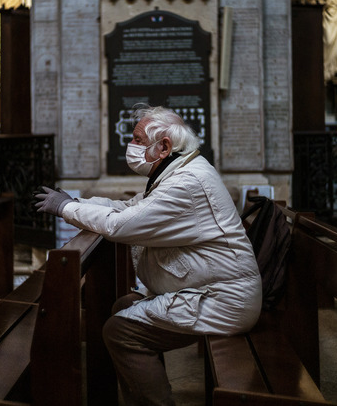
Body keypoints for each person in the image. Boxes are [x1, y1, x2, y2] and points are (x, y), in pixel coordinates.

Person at [34, 104, 262, 406]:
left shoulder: (186, 183)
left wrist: (64, 208)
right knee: (122, 306)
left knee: (119, 332)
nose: (131, 146)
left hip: (224, 299)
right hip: (211, 289)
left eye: (138, 140)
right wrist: (77, 202)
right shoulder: (180, 170)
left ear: (164, 146)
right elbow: (128, 208)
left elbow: (120, 225)